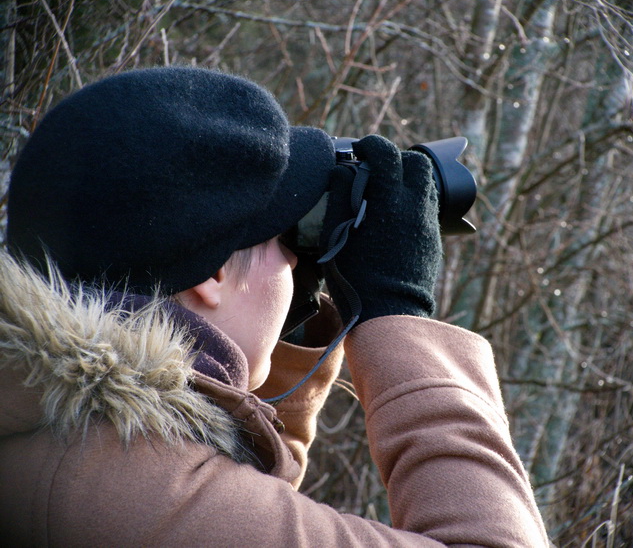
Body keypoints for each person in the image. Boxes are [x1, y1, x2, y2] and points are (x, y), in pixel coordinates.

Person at [0, 67, 548, 546]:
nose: (294, 266)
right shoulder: (131, 491)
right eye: (286, 245)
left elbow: (246, 496)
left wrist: (296, 317)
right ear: (213, 275)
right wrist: (397, 311)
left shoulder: (65, 439)